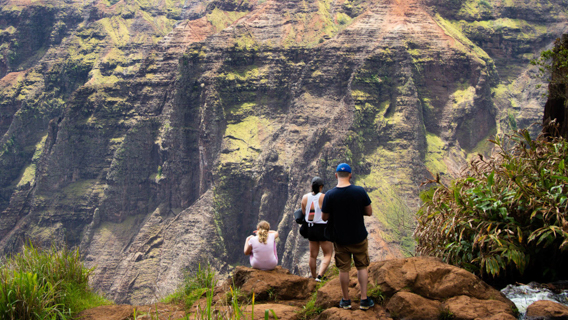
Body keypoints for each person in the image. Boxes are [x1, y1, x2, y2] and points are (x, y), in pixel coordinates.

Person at [322, 163, 374, 310]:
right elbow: (369, 212)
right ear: (350, 175)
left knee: (343, 269)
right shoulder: (359, 191)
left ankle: (345, 300)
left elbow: (325, 217)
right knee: (362, 266)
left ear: (336, 175)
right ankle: (364, 299)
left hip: (340, 239)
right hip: (359, 237)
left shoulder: (330, 195)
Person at [301, 177, 333, 282]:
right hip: (322, 227)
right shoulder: (324, 197)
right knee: (328, 253)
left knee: (312, 255)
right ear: (321, 187)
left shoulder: (305, 197)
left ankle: (313, 277)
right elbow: (329, 212)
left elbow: (303, 212)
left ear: (311, 186)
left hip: (310, 228)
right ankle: (320, 276)